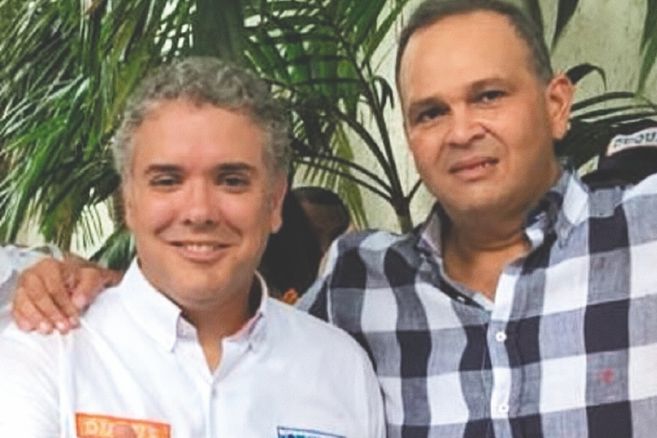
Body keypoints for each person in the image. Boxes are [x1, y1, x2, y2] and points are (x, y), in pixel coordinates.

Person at [9, 1, 657, 437]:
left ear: (555, 104)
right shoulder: (360, 284)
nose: (461, 131)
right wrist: (84, 281)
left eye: (487, 96)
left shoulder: (645, 237)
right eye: (431, 112)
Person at [0, 57, 384, 437]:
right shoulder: (47, 353)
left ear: (275, 202)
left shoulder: (341, 368)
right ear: (128, 201)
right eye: (167, 181)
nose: (199, 212)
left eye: (231, 181)